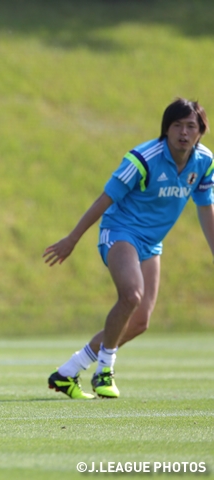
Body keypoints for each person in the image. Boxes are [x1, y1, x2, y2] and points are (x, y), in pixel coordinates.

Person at [43, 98, 214, 399]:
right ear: (166, 129)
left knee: (139, 322)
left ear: (201, 131)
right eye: (177, 125)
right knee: (131, 294)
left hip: (151, 243)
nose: (184, 133)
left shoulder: (204, 163)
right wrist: (72, 239)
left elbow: (205, 209)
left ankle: (68, 372)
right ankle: (104, 372)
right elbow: (104, 199)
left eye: (191, 126)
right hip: (120, 231)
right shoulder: (143, 158)